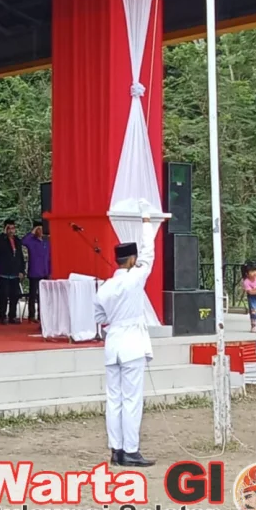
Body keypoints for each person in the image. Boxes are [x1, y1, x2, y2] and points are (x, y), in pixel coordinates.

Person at [92, 200, 156, 468]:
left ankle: (116, 449)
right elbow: (149, 253)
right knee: (131, 400)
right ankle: (130, 449)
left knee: (114, 399)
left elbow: (99, 318)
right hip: (131, 344)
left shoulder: (105, 287)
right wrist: (146, 221)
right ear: (131, 260)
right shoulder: (134, 278)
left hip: (113, 343)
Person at [0, 219, 26, 325]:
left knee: (14, 296)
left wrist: (22, 270)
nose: (11, 231)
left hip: (15, 272)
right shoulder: (1, 239)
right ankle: (2, 316)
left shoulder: (17, 240)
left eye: (13, 228)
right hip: (4, 272)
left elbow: (20, 256)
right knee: (3, 295)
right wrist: (4, 234)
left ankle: (12, 315)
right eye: (9, 228)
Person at [22, 221, 50, 322]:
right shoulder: (31, 241)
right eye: (38, 229)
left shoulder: (46, 242)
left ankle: (41, 315)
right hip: (34, 271)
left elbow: (49, 257)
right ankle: (31, 315)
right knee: (33, 295)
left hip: (45, 272)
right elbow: (23, 241)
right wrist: (32, 232)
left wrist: (50, 271)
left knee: (43, 296)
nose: (41, 231)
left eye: (42, 229)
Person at [242, 263, 256, 332]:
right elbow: (250, 292)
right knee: (253, 310)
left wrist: (255, 290)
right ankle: (253, 326)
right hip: (252, 298)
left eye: (255, 271)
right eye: (252, 271)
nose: (255, 273)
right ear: (247, 273)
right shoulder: (246, 282)